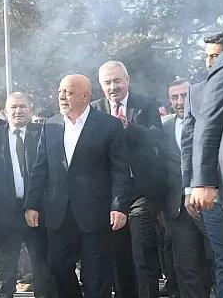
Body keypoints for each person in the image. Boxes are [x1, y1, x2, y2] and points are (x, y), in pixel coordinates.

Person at [25, 74, 132, 298]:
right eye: (60, 92)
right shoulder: (51, 124)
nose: (62, 97)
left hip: (96, 213)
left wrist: (119, 206)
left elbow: (120, 170)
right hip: (59, 213)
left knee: (96, 274)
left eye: (68, 92)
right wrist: (31, 204)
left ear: (85, 96)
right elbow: (40, 167)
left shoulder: (108, 125)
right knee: (59, 267)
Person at [91, 60, 165, 298]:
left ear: (127, 80)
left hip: (141, 191)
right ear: (101, 86)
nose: (113, 87)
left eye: (117, 81)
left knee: (143, 254)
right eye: (107, 82)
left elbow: (157, 136)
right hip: (110, 194)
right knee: (118, 257)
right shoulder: (94, 109)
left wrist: (128, 127)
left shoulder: (146, 103)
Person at [0, 91, 57, 298]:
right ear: (5, 111)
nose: (18, 111)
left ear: (30, 110)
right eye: (13, 107)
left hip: (38, 212)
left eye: (23, 106)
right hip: (4, 216)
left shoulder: (44, 133)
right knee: (4, 272)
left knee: (43, 269)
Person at [182, 31, 223, 298]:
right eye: (207, 57)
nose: (209, 63)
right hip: (211, 196)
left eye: (214, 56)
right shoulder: (195, 92)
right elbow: (191, 141)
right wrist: (192, 186)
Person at [160, 79, 212, 298]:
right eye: (175, 97)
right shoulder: (163, 126)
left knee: (219, 260)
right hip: (177, 209)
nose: (180, 101)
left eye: (185, 95)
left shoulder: (209, 120)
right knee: (185, 266)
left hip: (209, 204)